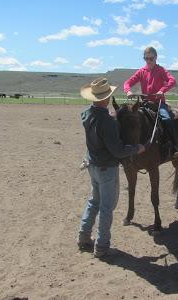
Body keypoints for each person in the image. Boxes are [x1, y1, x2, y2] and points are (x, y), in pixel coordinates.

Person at [78, 77, 146, 258]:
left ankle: (84, 236)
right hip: (106, 168)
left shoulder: (86, 114)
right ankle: (101, 246)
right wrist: (136, 148)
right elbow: (117, 150)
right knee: (107, 207)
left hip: (92, 164)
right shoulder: (107, 121)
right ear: (105, 98)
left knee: (94, 201)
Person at [123, 46, 178, 158]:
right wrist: (128, 91)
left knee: (166, 119)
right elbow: (127, 82)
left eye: (151, 58)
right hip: (144, 103)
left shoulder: (161, 70)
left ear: (156, 57)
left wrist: (162, 90)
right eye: (146, 58)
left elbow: (172, 81)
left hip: (159, 103)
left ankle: (174, 147)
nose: (148, 61)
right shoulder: (141, 71)